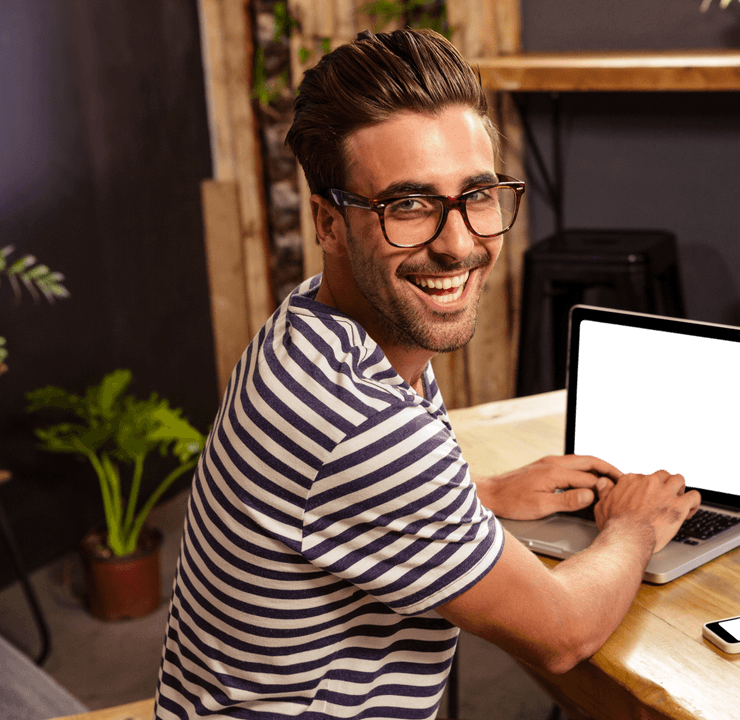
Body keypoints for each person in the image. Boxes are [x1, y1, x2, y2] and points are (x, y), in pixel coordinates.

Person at [155, 28, 700, 720]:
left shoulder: (307, 329)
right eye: (407, 207)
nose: (458, 244)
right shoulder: (357, 418)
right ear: (328, 222)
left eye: (476, 196)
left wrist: (484, 492)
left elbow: (329, 495)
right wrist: (636, 527)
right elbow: (562, 632)